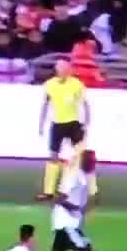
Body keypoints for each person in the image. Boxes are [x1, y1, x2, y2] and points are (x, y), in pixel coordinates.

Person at [33, 150, 99, 251]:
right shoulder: (74, 177)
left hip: (67, 224)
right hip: (66, 224)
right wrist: (75, 208)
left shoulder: (84, 176)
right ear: (84, 161)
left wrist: (83, 209)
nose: (94, 163)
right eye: (91, 160)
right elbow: (60, 198)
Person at [37, 60, 89, 201]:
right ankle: (48, 191)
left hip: (73, 124)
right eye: (61, 69)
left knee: (76, 156)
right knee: (53, 156)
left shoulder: (76, 84)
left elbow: (85, 104)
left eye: (66, 69)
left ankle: (66, 189)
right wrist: (41, 124)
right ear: (57, 70)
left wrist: (86, 123)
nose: (64, 71)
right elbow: (45, 104)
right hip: (57, 124)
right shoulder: (50, 85)